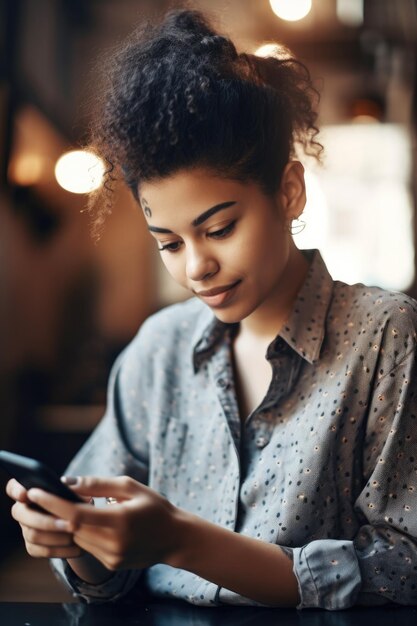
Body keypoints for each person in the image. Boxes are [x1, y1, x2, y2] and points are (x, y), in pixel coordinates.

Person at [6, 8, 417, 610]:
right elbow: (104, 579)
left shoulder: (384, 337)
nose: (195, 267)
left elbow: (405, 564)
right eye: (168, 243)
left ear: (289, 191)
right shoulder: (159, 350)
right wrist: (78, 541)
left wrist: (182, 542)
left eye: (219, 228)